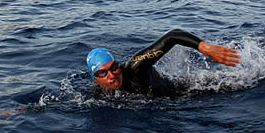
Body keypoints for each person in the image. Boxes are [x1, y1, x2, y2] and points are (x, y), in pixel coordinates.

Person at [86, 29, 241, 97]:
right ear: (95, 78)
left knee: (235, 84)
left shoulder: (136, 67)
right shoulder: (99, 94)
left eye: (113, 67)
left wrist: (206, 48)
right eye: (102, 73)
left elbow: (172, 37)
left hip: (188, 92)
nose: (112, 75)